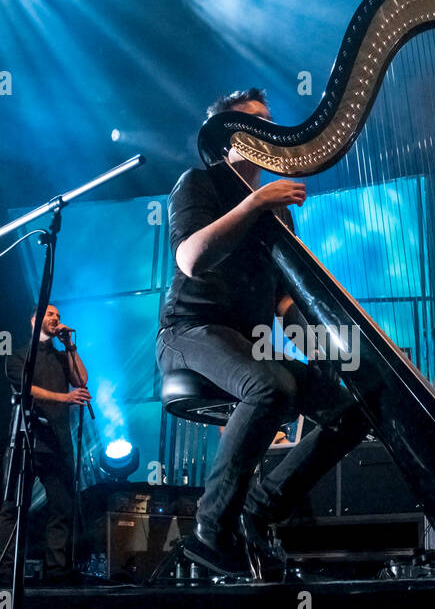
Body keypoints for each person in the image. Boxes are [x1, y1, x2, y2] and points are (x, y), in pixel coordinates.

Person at [156, 88, 371, 578]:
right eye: (254, 122)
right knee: (272, 386)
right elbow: (191, 259)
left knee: (350, 410)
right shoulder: (199, 183)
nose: (268, 131)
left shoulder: (279, 213)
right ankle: (211, 531)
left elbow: (283, 304)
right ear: (228, 137)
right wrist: (255, 202)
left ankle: (260, 509)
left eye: (269, 122)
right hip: (190, 332)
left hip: (249, 344)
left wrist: (331, 352)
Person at [0, 303, 91, 582]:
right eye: (50, 314)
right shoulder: (19, 356)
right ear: (34, 320)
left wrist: (70, 346)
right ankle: (5, 571)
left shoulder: (62, 357)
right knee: (13, 506)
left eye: (59, 316)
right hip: (25, 438)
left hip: (57, 440)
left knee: (61, 506)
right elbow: (26, 389)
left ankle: (57, 570)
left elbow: (81, 379)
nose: (56, 319)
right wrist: (64, 398)